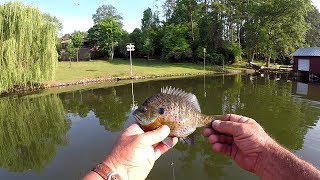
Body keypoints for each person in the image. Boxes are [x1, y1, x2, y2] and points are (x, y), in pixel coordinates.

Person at [84, 114, 320, 180]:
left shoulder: (159, 124)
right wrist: (121, 169)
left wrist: (115, 168)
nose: (139, 116)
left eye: (144, 113)